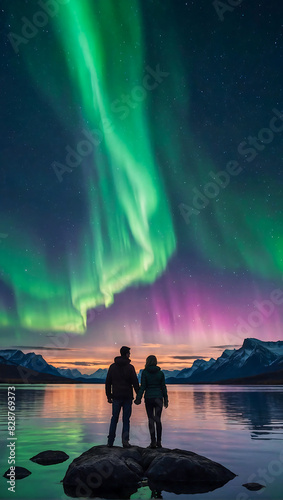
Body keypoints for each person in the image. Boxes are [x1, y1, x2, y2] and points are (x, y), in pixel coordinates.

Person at [105, 346, 139, 448]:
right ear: (126, 354)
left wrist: (109, 396)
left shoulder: (112, 367)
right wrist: (139, 396)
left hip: (116, 396)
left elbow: (108, 382)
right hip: (127, 397)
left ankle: (110, 442)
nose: (130, 355)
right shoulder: (130, 367)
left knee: (114, 418)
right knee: (126, 420)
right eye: (129, 353)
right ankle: (125, 442)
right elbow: (135, 383)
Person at [134, 355, 168, 448]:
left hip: (148, 398)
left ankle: (153, 442)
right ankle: (159, 442)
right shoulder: (161, 373)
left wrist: (138, 398)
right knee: (158, 420)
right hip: (158, 398)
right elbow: (163, 387)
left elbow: (143, 387)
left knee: (151, 420)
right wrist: (166, 400)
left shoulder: (145, 372)